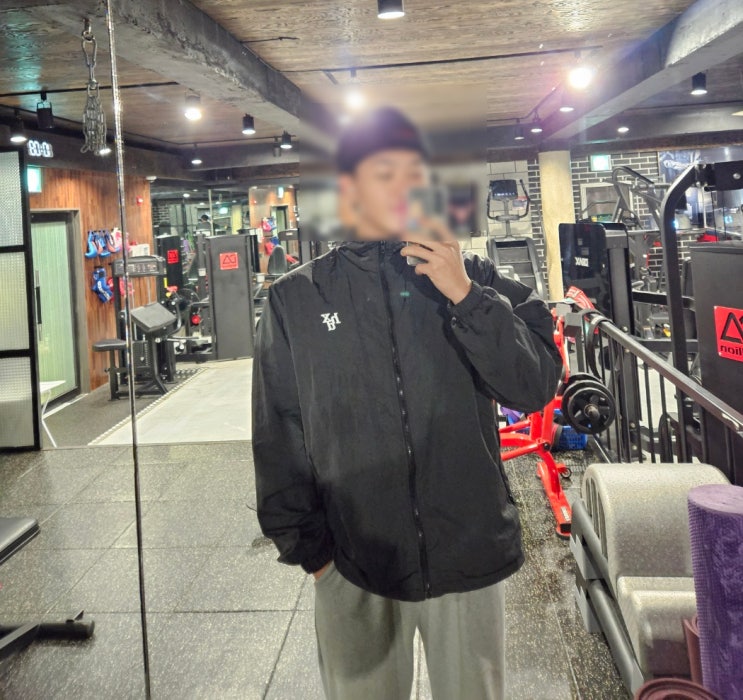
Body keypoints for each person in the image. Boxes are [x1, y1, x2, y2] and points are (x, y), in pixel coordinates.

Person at [252, 107, 562, 700]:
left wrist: (465, 296)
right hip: (353, 558)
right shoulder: (296, 298)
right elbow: (279, 430)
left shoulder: (473, 278)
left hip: (467, 550)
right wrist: (311, 552)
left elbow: (534, 385)